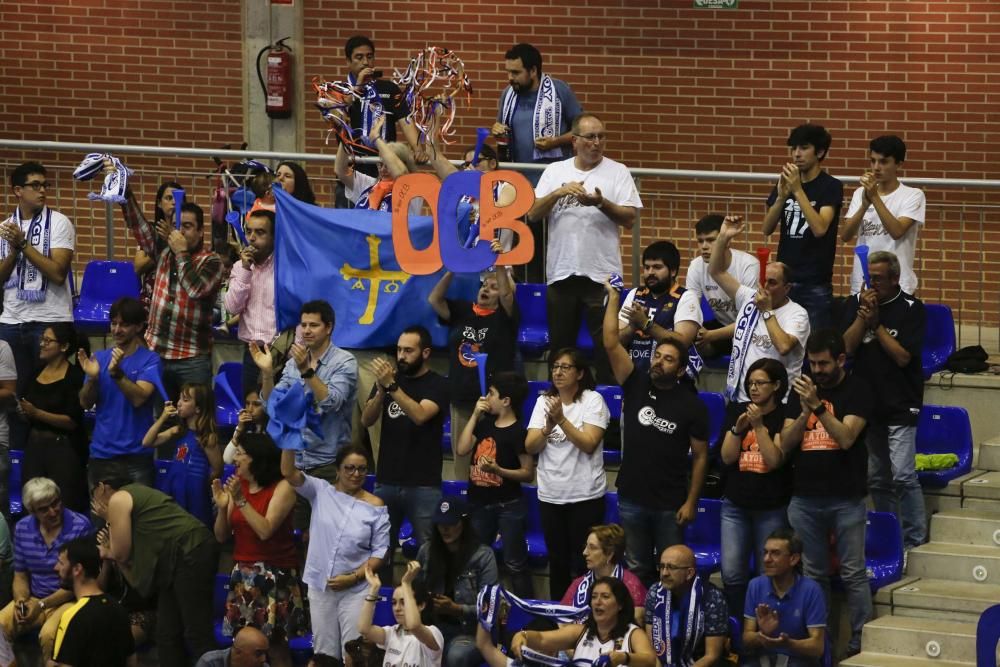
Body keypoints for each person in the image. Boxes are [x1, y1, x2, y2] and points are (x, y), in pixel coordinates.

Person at [603, 282, 709, 587]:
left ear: (680, 371)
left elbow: (701, 456)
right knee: (636, 569)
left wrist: (691, 501)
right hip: (632, 497)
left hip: (669, 504)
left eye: (668, 359)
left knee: (671, 572)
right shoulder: (634, 382)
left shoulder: (693, 406)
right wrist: (614, 299)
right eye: (656, 355)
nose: (658, 361)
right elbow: (611, 343)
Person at [527, 113, 642, 383]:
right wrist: (558, 192)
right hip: (562, 273)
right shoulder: (555, 172)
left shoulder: (618, 171)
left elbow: (630, 219)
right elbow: (532, 213)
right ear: (575, 141)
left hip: (602, 277)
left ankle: (607, 412)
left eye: (602, 136)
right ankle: (560, 405)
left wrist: (601, 203)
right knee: (561, 350)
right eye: (591, 137)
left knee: (607, 347)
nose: (597, 142)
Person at [779, 330, 873, 658]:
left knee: (852, 572)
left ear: (841, 360)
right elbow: (785, 445)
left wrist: (818, 407)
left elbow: (846, 437)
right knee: (814, 574)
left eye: (823, 364)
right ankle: (823, 644)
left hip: (846, 496)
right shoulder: (801, 391)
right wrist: (804, 411)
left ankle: (860, 641)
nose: (816, 370)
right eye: (812, 363)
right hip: (805, 497)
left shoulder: (858, 390)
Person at [842, 251, 927, 550]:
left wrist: (876, 326)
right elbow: (847, 350)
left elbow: (904, 357)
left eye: (878, 278)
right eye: (869, 278)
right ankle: (892, 538)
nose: (872, 284)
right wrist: (861, 319)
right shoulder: (857, 305)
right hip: (868, 405)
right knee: (877, 479)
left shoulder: (912, 309)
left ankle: (915, 541)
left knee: (903, 476)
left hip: (902, 402)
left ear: (894, 278)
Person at [92, 475, 218, 666]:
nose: (95, 504)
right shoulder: (137, 499)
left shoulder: (119, 498)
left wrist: (108, 523)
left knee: (197, 632)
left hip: (190, 551)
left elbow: (120, 555)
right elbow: (133, 573)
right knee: (166, 633)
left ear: (101, 488)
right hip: (176, 561)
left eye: (94, 497)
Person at [253, 300, 358, 525]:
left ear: (328, 327)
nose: (307, 331)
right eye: (303, 325)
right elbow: (273, 406)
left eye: (314, 325)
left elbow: (332, 402)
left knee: (329, 533)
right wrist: (268, 374)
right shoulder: (293, 364)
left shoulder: (344, 362)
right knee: (298, 534)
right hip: (295, 463)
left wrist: (307, 371)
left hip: (329, 463)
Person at [280, 444, 389, 661]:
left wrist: (354, 577)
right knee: (323, 653)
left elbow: (380, 552)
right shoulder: (320, 490)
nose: (356, 474)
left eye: (361, 469)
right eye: (349, 468)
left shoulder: (376, 506)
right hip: (321, 586)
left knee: (354, 652)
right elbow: (288, 472)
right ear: (337, 470)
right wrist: (289, 440)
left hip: (356, 589)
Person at [362, 326, 449, 571]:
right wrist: (380, 392)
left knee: (429, 552)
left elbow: (420, 415)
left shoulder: (438, 384)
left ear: (426, 353)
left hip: (423, 484)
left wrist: (391, 387)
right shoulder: (390, 383)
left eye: (409, 351)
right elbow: (366, 420)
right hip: (387, 480)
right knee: (380, 549)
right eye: (399, 350)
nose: (401, 356)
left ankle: (427, 604)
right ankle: (380, 601)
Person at [525, 348, 609, 600]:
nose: (558, 372)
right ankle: (559, 618)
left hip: (585, 496)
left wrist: (561, 420)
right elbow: (530, 447)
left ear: (580, 373)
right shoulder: (543, 402)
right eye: (555, 367)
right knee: (558, 563)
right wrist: (546, 428)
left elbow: (589, 443)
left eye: (565, 367)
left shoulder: (592, 401)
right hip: (551, 495)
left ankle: (588, 616)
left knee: (586, 563)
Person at [213, 433, 304, 662]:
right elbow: (221, 535)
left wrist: (240, 501)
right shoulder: (238, 484)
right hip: (242, 575)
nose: (235, 459)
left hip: (274, 575)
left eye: (241, 454)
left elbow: (265, 530)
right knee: (243, 647)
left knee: (274, 648)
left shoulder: (283, 487)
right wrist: (223, 508)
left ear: (257, 458)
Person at [122, 194, 223, 397]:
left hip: (192, 358)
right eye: (177, 226)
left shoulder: (212, 262)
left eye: (187, 226)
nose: (180, 232)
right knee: (161, 418)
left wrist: (181, 253)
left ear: (201, 231)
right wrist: (124, 192)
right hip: (157, 354)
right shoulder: (163, 250)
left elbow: (195, 289)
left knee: (197, 420)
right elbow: (138, 226)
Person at [429, 260, 517, 481]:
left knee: (490, 459)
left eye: (493, 287)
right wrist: (452, 269)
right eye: (484, 285)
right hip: (461, 399)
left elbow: (508, 297)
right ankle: (461, 506)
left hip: (493, 403)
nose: (486, 288)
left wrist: (500, 265)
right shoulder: (462, 310)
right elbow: (434, 299)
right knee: (462, 460)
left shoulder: (505, 318)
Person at [0, 162, 75, 422]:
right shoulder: (4, 228)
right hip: (11, 321)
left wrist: (23, 244)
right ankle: (18, 456)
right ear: (18, 190)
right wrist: (12, 252)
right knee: (14, 398)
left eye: (45, 185)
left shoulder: (59, 223)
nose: (42, 190)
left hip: (49, 320)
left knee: (48, 397)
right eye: (35, 185)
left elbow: (57, 273)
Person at [718, 358, 792, 618]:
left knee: (768, 573)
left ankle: (765, 628)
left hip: (771, 507)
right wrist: (738, 431)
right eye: (750, 383)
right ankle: (739, 629)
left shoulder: (784, 415)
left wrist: (759, 427)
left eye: (760, 383)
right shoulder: (737, 409)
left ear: (776, 385)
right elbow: (727, 458)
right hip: (735, 505)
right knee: (732, 572)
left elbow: (773, 460)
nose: (753, 388)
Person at [710, 216, 809, 403]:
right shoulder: (749, 297)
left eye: (772, 283)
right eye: (763, 279)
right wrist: (723, 238)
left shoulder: (797, 314)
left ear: (787, 288)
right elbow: (716, 272)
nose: (765, 286)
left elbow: (784, 346)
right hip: (741, 397)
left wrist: (766, 310)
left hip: (778, 402)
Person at [454, 372, 534, 598]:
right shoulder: (484, 424)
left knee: (515, 563)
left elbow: (528, 473)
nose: (486, 397)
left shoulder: (519, 432)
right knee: (474, 559)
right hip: (478, 504)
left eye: (491, 394)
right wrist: (474, 415)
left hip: (509, 505)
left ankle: (526, 612)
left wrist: (498, 470)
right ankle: (475, 607)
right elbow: (461, 450)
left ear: (506, 401)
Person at [762, 124, 843, 331]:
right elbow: (767, 228)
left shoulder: (830, 186)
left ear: (820, 152)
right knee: (780, 338)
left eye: (804, 147)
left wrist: (798, 190)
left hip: (814, 282)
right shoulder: (786, 183)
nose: (797, 154)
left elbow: (820, 228)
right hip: (785, 278)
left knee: (815, 344)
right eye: (794, 148)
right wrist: (781, 196)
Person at [0, 478, 91, 662]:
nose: (53, 511)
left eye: (56, 503)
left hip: (69, 599)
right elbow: (20, 574)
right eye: (44, 509)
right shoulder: (23, 528)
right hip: (34, 598)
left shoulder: (80, 526)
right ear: (32, 511)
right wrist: (21, 601)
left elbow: (80, 581)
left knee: (50, 635)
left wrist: (42, 605)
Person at [78, 297, 162, 488]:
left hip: (137, 456)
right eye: (114, 323)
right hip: (102, 455)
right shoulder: (98, 358)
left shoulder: (150, 360)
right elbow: (84, 402)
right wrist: (92, 379)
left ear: (139, 326)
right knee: (101, 517)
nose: (116, 330)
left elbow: (139, 398)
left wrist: (117, 374)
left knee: (140, 517)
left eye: (124, 325)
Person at [415, 498, 498, 667]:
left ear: (464, 523)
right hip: (432, 626)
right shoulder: (426, 552)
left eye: (451, 523)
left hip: (470, 631)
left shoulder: (483, 556)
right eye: (441, 524)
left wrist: (457, 609)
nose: (445, 529)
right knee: (410, 644)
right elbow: (414, 593)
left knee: (456, 656)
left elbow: (491, 607)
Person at [842, 135, 926, 295]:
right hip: (863, 282)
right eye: (873, 161)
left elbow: (897, 231)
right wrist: (864, 206)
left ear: (898, 164)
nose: (876, 167)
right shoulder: (860, 193)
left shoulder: (913, 195)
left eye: (883, 161)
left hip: (898, 284)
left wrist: (874, 197)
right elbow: (846, 235)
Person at [511, 577, 656, 666]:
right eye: (594, 597)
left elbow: (650, 661)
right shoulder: (580, 631)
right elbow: (542, 638)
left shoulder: (633, 633)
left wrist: (624, 658)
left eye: (605, 596)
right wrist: (523, 636)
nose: (597, 602)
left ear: (620, 605)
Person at [19, 322, 87, 513]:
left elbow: (72, 422)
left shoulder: (74, 376)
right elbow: (25, 405)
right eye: (42, 339)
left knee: (64, 505)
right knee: (32, 502)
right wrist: (25, 413)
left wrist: (37, 413)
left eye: (47, 340)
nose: (42, 344)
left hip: (63, 450)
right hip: (35, 447)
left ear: (64, 347)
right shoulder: (36, 373)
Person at [617, 241, 702, 384]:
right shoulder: (635, 294)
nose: (650, 272)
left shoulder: (686, 297)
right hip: (635, 378)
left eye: (657, 267)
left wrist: (645, 323)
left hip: (672, 383)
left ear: (673, 271)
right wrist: (632, 327)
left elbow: (682, 342)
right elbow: (616, 340)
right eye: (647, 267)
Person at [493, 43, 583, 174]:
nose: (510, 78)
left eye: (516, 72)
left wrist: (556, 141)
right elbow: (501, 127)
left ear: (533, 71)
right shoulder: (508, 94)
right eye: (508, 72)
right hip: (517, 175)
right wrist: (496, 129)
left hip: (554, 175)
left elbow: (582, 131)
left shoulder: (559, 90)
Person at [742, 529, 826, 667]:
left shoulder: (811, 590)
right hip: (762, 661)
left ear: (793, 559)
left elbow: (818, 647)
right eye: (765, 552)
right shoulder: (755, 585)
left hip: (798, 662)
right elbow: (747, 639)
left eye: (775, 553)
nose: (766, 559)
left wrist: (789, 644)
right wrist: (762, 634)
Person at [143, 382, 223, 524]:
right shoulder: (178, 430)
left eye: (185, 400)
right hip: (174, 485)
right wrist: (162, 418)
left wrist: (199, 482)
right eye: (179, 399)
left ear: (198, 408)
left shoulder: (207, 438)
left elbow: (218, 469)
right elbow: (147, 442)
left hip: (195, 493)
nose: (179, 403)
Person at [50, 536, 135, 667]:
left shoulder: (72, 617)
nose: (55, 568)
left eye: (61, 563)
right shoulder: (119, 609)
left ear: (77, 569)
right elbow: (131, 660)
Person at [343, 35, 424, 173]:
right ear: (348, 62)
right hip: (353, 167)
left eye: (369, 57)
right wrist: (358, 87)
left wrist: (418, 149)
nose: (365, 62)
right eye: (359, 57)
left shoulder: (389, 88)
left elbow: (405, 121)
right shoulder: (340, 90)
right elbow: (340, 113)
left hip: (386, 164)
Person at [685, 214, 760, 358]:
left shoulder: (748, 265)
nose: (704, 247)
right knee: (689, 334)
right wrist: (697, 330)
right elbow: (690, 307)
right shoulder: (696, 266)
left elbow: (751, 317)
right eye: (700, 241)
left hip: (750, 327)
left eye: (711, 240)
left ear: (727, 240)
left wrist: (711, 335)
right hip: (722, 326)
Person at [643, 545, 727, 666]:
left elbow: (712, 655)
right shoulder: (655, 592)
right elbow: (652, 649)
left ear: (689, 573)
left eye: (671, 567)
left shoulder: (712, 598)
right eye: (662, 567)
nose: (665, 573)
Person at [224, 209, 277, 398]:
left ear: (274, 236)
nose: (252, 238)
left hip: (280, 352)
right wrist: (246, 270)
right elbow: (231, 308)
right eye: (249, 231)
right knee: (252, 414)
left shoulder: (285, 267)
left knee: (277, 415)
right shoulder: (240, 267)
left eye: (260, 232)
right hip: (251, 354)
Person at [359, 561, 443, 666]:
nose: (397, 608)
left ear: (421, 605)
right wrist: (374, 590)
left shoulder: (434, 633)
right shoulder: (391, 632)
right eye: (394, 603)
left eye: (404, 602)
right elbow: (364, 629)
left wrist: (406, 584)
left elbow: (414, 626)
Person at [560, 525, 646, 623]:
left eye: (592, 548)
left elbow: (636, 619)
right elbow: (561, 618)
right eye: (586, 547)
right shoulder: (578, 584)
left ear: (609, 553)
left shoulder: (631, 584)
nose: (585, 552)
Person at [131, 179, 182, 309]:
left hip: (179, 296)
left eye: (177, 198)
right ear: (159, 203)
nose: (174, 202)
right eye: (168, 198)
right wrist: (165, 244)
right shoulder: (152, 231)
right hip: (153, 294)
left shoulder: (187, 232)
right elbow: (138, 267)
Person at [224, 389, 270, 465]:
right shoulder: (243, 427)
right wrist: (239, 428)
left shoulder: (274, 429)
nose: (250, 409)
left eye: (256, 404)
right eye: (247, 403)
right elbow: (227, 459)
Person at [195, 626, 271, 667]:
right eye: (258, 654)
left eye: (265, 653)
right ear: (238, 653)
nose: (263, 659)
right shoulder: (210, 663)